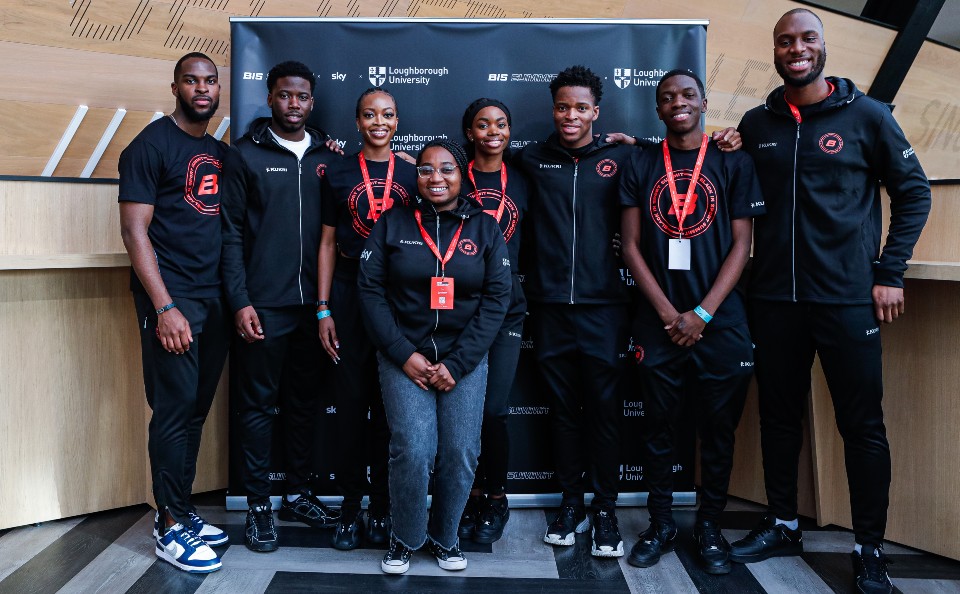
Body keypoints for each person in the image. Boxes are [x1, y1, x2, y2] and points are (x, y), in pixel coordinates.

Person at [731, 9, 931, 594]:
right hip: (774, 299)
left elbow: (913, 192)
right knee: (777, 418)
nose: (796, 49)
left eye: (807, 39)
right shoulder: (756, 122)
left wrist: (890, 271)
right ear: (775, 50)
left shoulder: (869, 116)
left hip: (847, 300)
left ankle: (869, 549)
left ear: (823, 46)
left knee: (862, 425)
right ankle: (783, 523)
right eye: (785, 41)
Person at [619, 69, 764, 575]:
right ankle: (660, 523)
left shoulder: (733, 160)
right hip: (657, 321)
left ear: (703, 103)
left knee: (718, 431)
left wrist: (701, 314)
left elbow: (742, 245)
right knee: (658, 429)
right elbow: (630, 246)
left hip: (720, 321)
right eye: (666, 98)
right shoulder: (640, 162)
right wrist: (668, 314)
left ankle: (709, 526)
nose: (677, 102)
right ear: (657, 110)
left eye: (686, 95)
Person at [358, 140, 511, 574]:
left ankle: (446, 537)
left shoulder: (484, 227)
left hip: (463, 359)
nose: (436, 178)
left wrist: (458, 364)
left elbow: (497, 298)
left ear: (462, 175)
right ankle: (405, 537)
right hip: (404, 357)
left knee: (461, 451)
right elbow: (369, 291)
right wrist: (403, 354)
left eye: (447, 169)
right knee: (413, 449)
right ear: (417, 176)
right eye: (426, 169)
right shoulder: (392, 222)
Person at [220, 60, 341, 553]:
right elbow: (229, 234)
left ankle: (298, 493)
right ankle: (257, 506)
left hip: (315, 308)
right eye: (285, 95)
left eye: (302, 96)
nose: (294, 104)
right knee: (255, 407)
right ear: (270, 98)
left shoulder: (329, 155)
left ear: (312, 102)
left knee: (303, 404)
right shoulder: (243, 155)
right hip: (263, 306)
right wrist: (240, 300)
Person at [118, 52, 230, 573]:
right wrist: (164, 306)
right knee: (173, 411)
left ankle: (181, 512)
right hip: (173, 300)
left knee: (195, 411)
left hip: (213, 300)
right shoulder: (148, 146)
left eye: (210, 82)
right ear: (175, 87)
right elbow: (133, 231)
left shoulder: (218, 152)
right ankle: (167, 527)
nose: (202, 89)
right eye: (192, 80)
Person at [317, 87, 417, 550]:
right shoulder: (337, 172)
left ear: (397, 122)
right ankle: (350, 506)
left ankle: (381, 505)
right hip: (349, 293)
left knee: (390, 409)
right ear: (357, 122)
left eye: (388, 114)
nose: (379, 122)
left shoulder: (414, 173)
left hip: (398, 298)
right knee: (351, 408)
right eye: (370, 115)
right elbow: (326, 244)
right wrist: (323, 307)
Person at [455, 98, 529, 545]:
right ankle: (467, 496)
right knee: (460, 410)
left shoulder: (525, 176)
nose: (493, 131)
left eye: (501, 123)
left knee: (492, 409)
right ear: (470, 133)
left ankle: (496, 497)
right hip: (458, 304)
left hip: (507, 306)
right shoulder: (452, 175)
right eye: (483, 125)